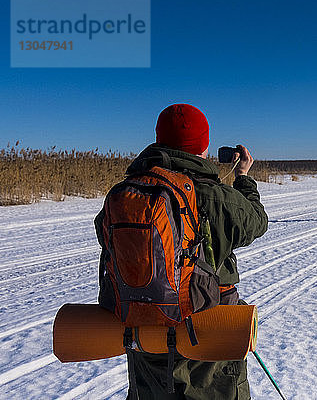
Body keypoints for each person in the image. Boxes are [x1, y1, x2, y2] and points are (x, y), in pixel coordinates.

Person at [95, 104, 268, 399]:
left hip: (145, 340)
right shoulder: (217, 197)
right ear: (204, 145)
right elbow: (257, 221)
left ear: (158, 138)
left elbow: (103, 232)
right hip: (207, 338)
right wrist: (242, 177)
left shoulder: (125, 193)